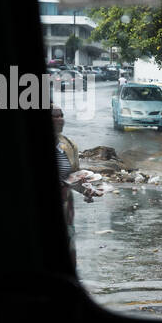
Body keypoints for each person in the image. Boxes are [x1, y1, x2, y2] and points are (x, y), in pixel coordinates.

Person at [52, 104, 101, 270]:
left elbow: (72, 177)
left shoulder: (69, 145)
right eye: (54, 116)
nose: (59, 119)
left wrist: (87, 190)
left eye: (61, 115)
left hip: (66, 208)